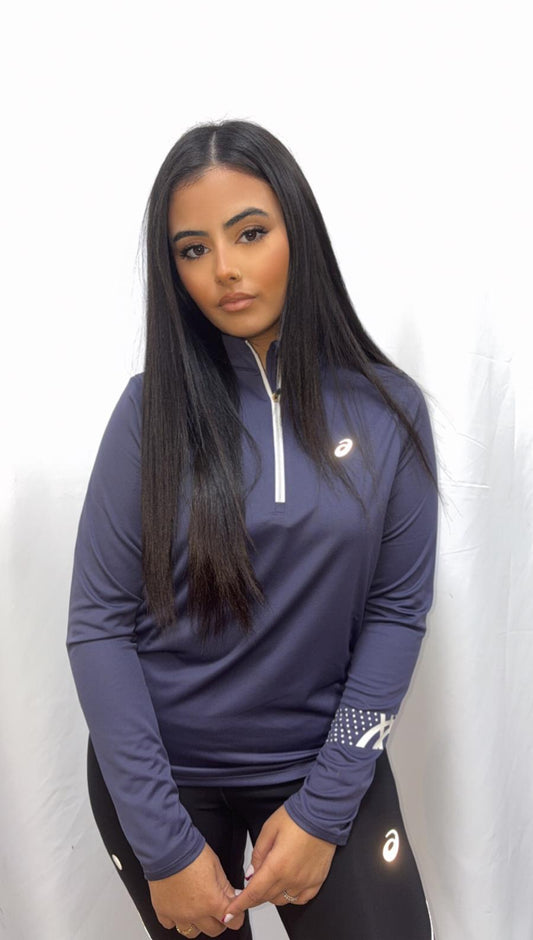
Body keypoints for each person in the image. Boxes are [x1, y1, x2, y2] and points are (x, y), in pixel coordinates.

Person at [66, 118, 439, 940]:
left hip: (323, 764)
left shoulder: (387, 410)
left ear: (297, 232)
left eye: (249, 234)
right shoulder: (148, 414)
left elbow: (394, 613)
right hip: (164, 785)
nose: (223, 270)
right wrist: (164, 846)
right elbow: (98, 626)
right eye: (192, 249)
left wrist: (325, 808)